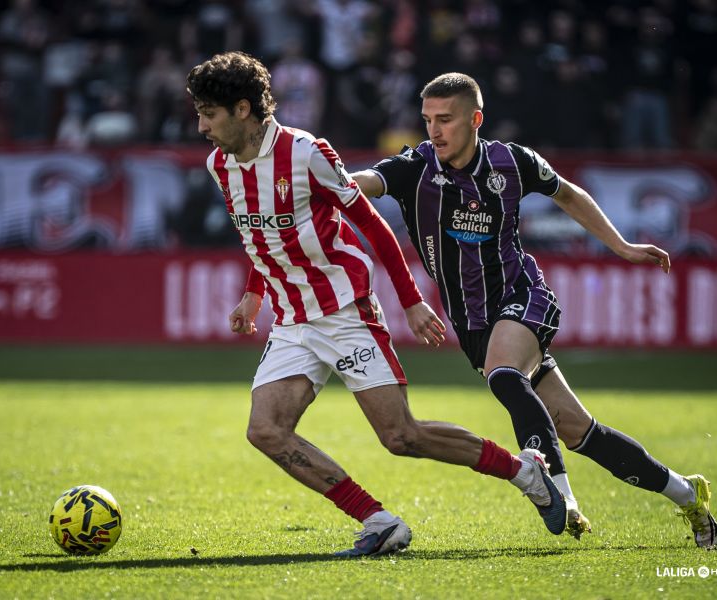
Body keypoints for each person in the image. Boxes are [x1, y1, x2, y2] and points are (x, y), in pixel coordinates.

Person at [186, 52, 568, 558]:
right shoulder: (220, 165)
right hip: (293, 317)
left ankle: (526, 473)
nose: (201, 127)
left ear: (241, 109)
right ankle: (379, 521)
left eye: (208, 114)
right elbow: (264, 234)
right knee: (266, 430)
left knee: (401, 436)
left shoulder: (306, 153)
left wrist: (410, 301)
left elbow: (373, 224)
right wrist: (256, 293)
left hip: (345, 309)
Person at [351, 72, 717, 550]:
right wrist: (325, 179)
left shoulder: (512, 161)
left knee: (505, 374)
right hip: (473, 322)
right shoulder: (416, 166)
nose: (434, 131)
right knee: (578, 430)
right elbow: (365, 182)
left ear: (475, 120)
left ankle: (561, 498)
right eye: (427, 120)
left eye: (445, 119)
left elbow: (568, 194)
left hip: (523, 295)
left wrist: (623, 247)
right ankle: (689, 494)